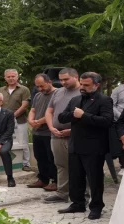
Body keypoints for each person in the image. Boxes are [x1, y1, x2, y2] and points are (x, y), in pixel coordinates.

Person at [57, 72, 113, 220]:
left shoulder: (104, 100)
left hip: (94, 147)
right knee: (75, 177)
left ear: (96, 85)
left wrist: (84, 116)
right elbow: (62, 117)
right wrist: (73, 115)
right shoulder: (75, 99)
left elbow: (107, 121)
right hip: (75, 144)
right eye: (81, 84)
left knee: (94, 179)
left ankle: (96, 207)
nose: (82, 87)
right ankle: (77, 203)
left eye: (86, 85)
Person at [44, 68, 81, 201]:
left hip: (77, 135)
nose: (63, 82)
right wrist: (51, 127)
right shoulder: (58, 92)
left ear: (76, 77)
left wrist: (72, 130)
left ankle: (81, 195)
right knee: (60, 165)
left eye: (66, 79)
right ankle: (62, 193)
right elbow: (49, 112)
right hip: (56, 134)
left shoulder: (83, 92)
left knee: (79, 166)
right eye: (61, 79)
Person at [27, 73, 57, 189]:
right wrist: (31, 120)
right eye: (37, 87)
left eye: (42, 86)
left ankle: (56, 181)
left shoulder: (58, 94)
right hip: (37, 132)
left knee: (52, 157)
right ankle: (43, 179)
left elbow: (54, 112)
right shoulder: (38, 95)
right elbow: (33, 110)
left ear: (49, 82)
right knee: (40, 156)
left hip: (49, 131)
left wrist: (39, 122)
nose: (40, 89)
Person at [0, 69, 31, 171]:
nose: (11, 78)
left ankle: (26, 164)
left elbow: (24, 106)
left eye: (13, 76)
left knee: (23, 142)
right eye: (8, 77)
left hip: (20, 121)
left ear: (17, 77)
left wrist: (12, 117)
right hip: (3, 122)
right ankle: (9, 163)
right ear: (5, 78)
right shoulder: (0, 90)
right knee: (5, 142)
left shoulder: (24, 89)